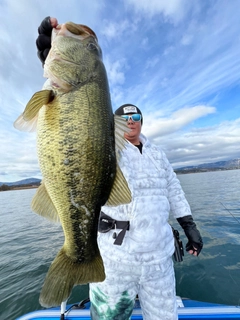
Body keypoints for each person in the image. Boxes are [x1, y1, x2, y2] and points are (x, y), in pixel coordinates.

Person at [36, 17, 203, 320]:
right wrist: (50, 63)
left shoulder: (158, 154)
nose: (131, 120)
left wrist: (188, 224)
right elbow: (81, 141)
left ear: (142, 121)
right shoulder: (112, 148)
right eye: (124, 116)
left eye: (136, 115)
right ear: (113, 122)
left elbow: (173, 188)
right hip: (115, 258)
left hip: (158, 259)